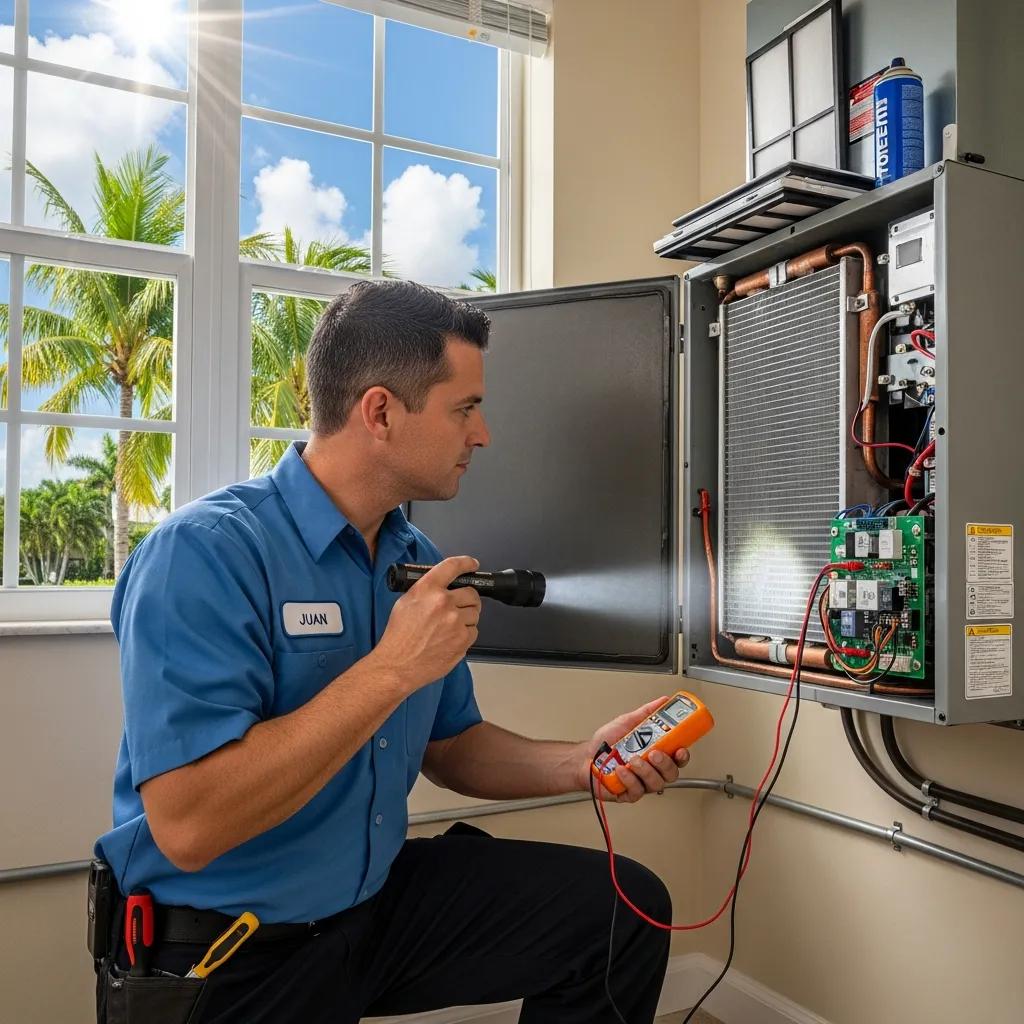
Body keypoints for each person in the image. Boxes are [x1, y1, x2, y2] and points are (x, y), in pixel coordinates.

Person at [94, 279, 689, 1023]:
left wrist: (581, 762)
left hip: (369, 912)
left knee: (620, 913)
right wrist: (391, 667)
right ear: (379, 411)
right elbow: (189, 826)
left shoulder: (409, 556)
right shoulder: (205, 554)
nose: (483, 434)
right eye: (465, 409)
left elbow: (453, 745)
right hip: (226, 954)